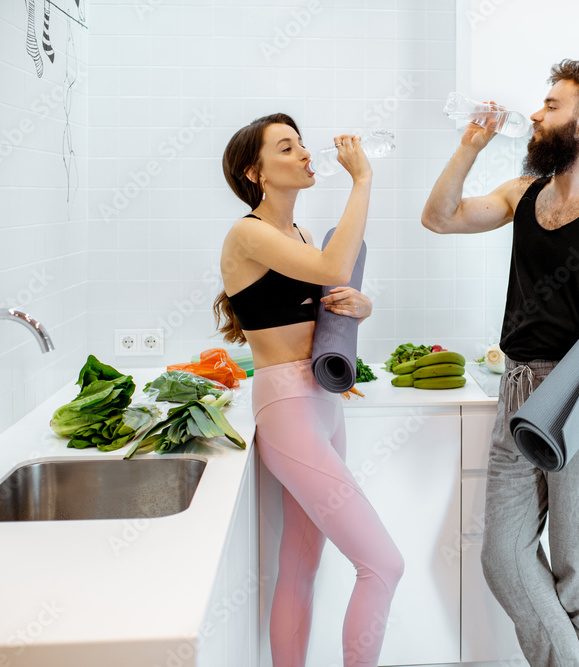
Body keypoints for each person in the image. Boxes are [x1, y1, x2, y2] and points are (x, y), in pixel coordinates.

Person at [421, 60, 579, 667]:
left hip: (577, 400)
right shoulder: (524, 193)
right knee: (502, 556)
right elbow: (439, 218)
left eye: (550, 105)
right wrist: (470, 147)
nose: (534, 113)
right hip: (516, 388)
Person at [214, 113, 404, 667]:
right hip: (289, 407)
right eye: (287, 148)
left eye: (300, 145)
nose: (304, 155)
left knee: (301, 565)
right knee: (383, 564)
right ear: (256, 172)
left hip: (321, 403)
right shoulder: (247, 233)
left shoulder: (294, 234)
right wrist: (362, 179)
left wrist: (360, 307)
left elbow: (326, 298)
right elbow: (334, 262)